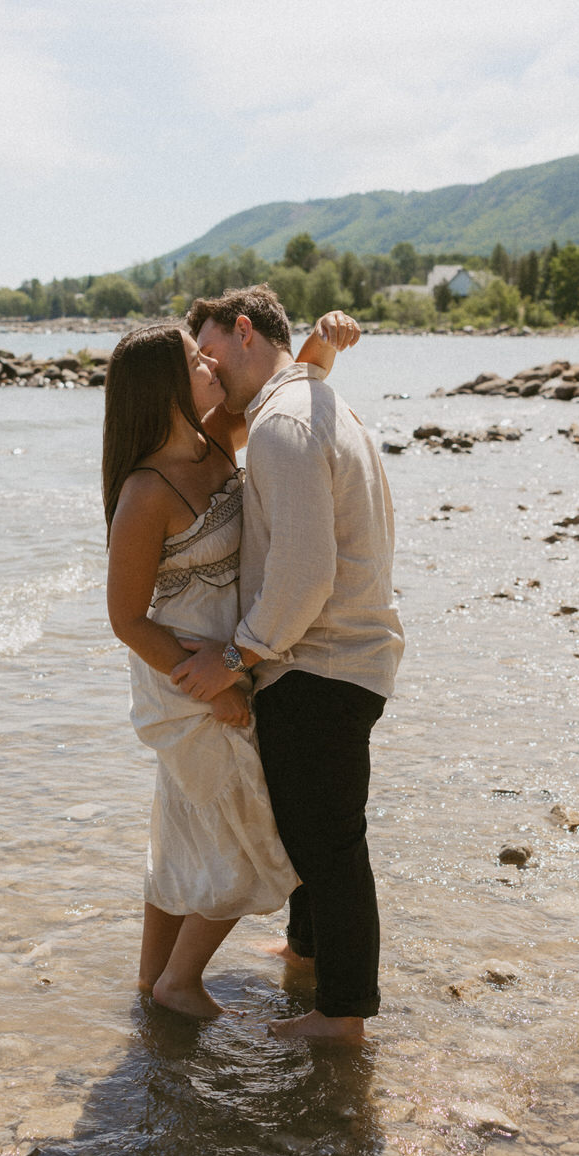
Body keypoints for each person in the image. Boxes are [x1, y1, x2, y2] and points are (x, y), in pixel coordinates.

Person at [103, 313, 358, 1020]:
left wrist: (326, 338)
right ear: (163, 388)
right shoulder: (145, 492)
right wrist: (212, 688)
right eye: (196, 361)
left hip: (227, 664)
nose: (212, 364)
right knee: (249, 838)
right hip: (186, 679)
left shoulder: (216, 440)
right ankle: (181, 984)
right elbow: (126, 620)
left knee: (186, 827)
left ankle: (152, 977)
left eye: (208, 355)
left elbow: (290, 387)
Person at [172, 286, 404, 1043]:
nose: (205, 368)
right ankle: (308, 952)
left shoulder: (282, 424)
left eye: (208, 351)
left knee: (330, 843)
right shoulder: (309, 403)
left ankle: (341, 1014)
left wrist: (235, 653)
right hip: (341, 654)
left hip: (321, 660)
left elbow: (305, 573)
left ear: (243, 332)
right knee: (309, 831)